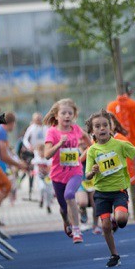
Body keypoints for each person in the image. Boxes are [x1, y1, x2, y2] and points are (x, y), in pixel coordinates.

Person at [85, 109, 135, 267]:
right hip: (101, 193)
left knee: (121, 220)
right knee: (105, 225)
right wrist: (92, 172)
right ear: (92, 131)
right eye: (97, 126)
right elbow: (87, 175)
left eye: (105, 125)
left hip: (119, 191)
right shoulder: (92, 151)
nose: (102, 128)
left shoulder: (120, 145)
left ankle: (118, 219)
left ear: (111, 127)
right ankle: (114, 254)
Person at [44, 98, 90, 243]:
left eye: (70, 113)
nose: (67, 116)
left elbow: (91, 144)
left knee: (70, 195)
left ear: (74, 115)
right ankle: (66, 220)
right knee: (64, 208)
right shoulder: (52, 132)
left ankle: (77, 231)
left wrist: (82, 157)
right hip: (58, 175)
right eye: (63, 113)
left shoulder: (76, 129)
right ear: (56, 116)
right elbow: (46, 155)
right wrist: (59, 144)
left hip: (75, 172)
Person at [107, 84, 135, 218]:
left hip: (116, 147)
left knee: (120, 178)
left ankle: (123, 208)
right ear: (130, 91)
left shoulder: (111, 106)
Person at [0, 113, 28, 226]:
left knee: (4, 186)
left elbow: (6, 152)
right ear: (12, 123)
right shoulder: (2, 131)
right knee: (5, 185)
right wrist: (19, 165)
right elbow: (4, 155)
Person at [21, 112, 47, 199]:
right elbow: (25, 139)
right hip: (35, 152)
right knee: (33, 170)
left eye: (39, 118)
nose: (38, 120)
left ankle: (48, 190)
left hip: (45, 151)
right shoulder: (31, 128)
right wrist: (29, 147)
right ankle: (31, 189)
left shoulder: (45, 128)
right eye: (36, 119)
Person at [32, 144, 53, 213]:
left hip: (48, 177)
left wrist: (46, 170)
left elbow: (50, 167)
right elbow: (32, 166)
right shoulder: (36, 159)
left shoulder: (48, 159)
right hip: (40, 177)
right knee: (42, 188)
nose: (41, 153)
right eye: (39, 152)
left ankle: (48, 205)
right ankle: (41, 199)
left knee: (49, 192)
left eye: (42, 151)